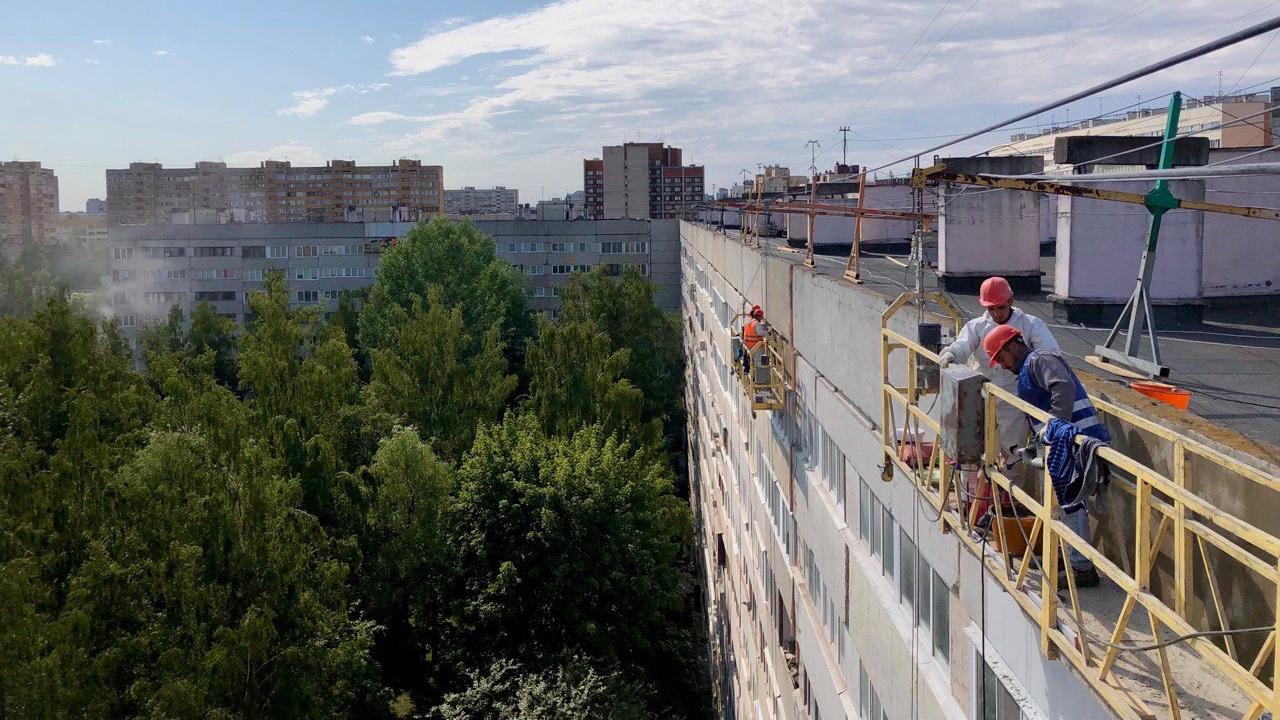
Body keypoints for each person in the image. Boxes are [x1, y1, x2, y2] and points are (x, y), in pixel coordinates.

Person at [985, 325, 1110, 588]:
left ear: (1013, 345)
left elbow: (1062, 389)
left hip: (1078, 440)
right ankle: (1068, 557)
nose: (1003, 365)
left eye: (1002, 358)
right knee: (1065, 503)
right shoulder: (1028, 370)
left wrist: (1057, 430)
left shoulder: (1040, 359)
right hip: (1068, 442)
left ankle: (1081, 570)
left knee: (1070, 503)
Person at [938, 276, 1059, 456]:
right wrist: (951, 354)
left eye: (1001, 307)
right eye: (991, 308)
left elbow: (1051, 356)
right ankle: (975, 484)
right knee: (973, 450)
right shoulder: (976, 327)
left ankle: (1009, 483)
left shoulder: (1030, 324)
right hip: (981, 396)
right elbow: (963, 346)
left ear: (1011, 301)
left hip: (1015, 398)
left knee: (1012, 453)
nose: (996, 313)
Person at [741, 305, 767, 375]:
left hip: (748, 347)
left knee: (751, 362)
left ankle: (750, 373)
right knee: (758, 363)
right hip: (755, 347)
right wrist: (767, 330)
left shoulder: (749, 322)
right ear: (759, 316)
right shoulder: (757, 324)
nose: (761, 319)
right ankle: (758, 377)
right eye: (761, 318)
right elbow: (761, 333)